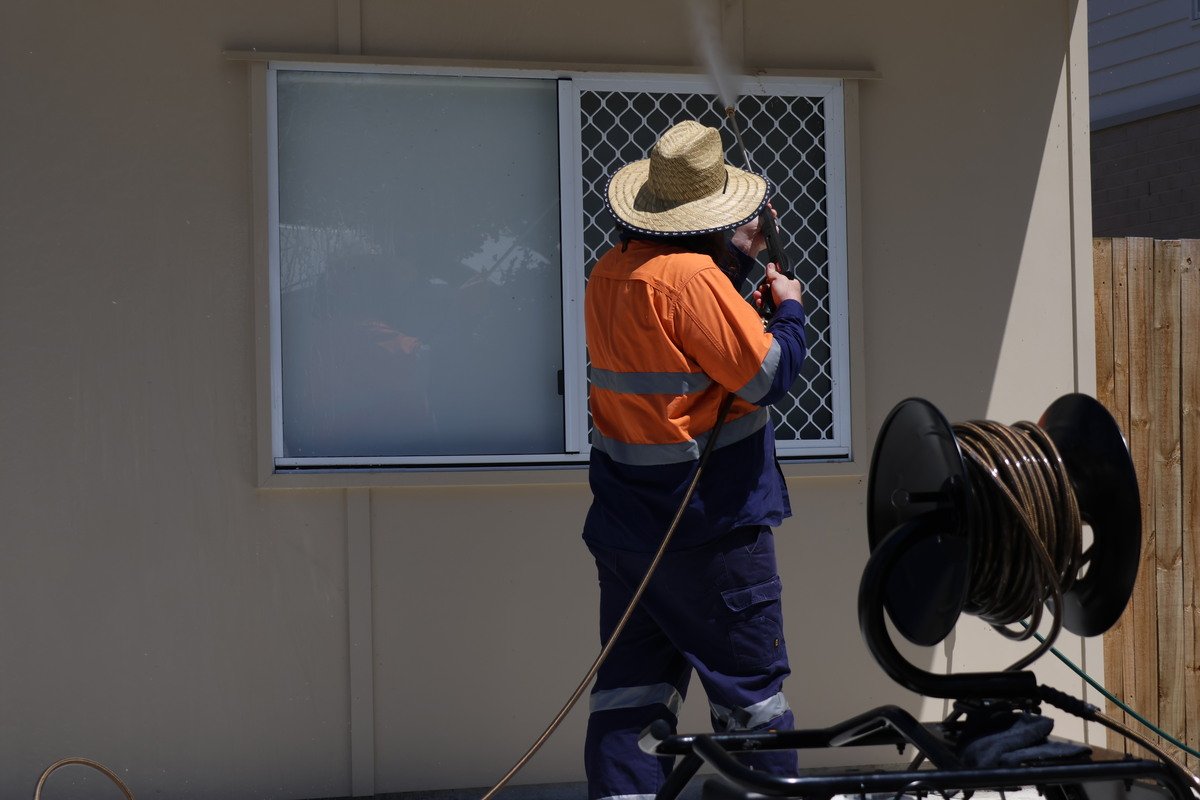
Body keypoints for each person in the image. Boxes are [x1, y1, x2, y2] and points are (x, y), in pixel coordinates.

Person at [582, 119, 808, 800]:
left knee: (630, 699)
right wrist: (790, 312)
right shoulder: (692, 279)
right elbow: (766, 376)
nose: (749, 235)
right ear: (704, 220)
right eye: (740, 225)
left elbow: (683, 361)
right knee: (751, 701)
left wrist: (740, 289)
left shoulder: (612, 272)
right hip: (711, 530)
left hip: (629, 532)